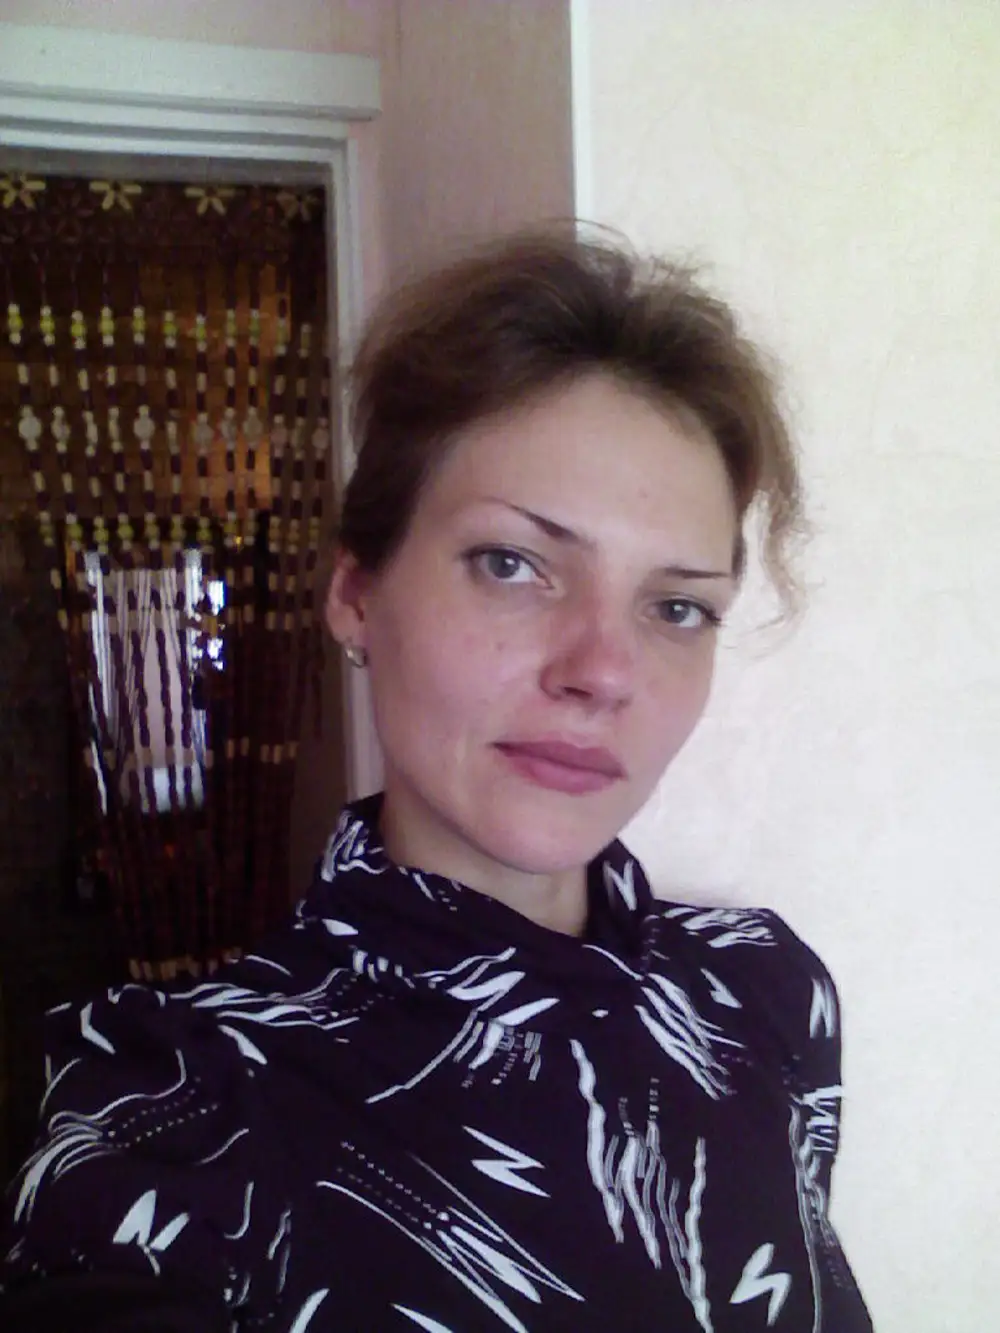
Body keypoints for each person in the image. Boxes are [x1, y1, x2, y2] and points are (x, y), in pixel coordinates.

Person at [0, 232, 872, 1331]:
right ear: (356, 595)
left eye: (676, 606)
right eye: (513, 563)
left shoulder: (766, 993)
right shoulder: (180, 1105)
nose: (603, 670)